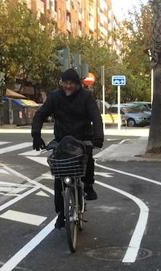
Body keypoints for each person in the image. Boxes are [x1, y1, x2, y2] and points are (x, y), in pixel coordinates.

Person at [31, 68, 104, 229]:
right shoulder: (55, 97)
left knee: (88, 159)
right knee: (59, 178)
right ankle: (61, 214)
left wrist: (98, 138)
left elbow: (95, 118)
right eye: (65, 83)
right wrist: (36, 134)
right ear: (61, 83)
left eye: (72, 83)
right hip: (62, 140)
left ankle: (89, 186)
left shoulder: (86, 97)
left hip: (82, 138)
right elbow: (40, 114)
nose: (68, 86)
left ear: (78, 84)